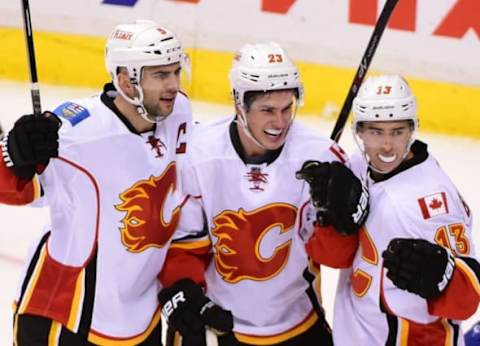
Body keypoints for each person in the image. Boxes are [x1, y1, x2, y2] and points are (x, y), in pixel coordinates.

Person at [157, 42, 368, 345]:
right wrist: (184, 292)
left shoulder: (321, 158)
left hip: (295, 323)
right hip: (217, 322)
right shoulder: (199, 153)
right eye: (267, 110)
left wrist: (336, 219)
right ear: (239, 105)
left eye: (286, 109)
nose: (279, 122)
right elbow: (185, 248)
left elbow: (333, 257)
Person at [0, 19, 193, 345]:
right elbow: (16, 188)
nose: (173, 84)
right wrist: (15, 152)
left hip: (140, 315)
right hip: (67, 315)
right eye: (160, 75)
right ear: (126, 82)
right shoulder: (76, 133)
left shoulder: (179, 112)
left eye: (175, 71)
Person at [300, 74, 480, 345]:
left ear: (412, 130)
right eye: (376, 131)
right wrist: (332, 219)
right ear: (359, 131)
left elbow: (467, 300)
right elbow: (333, 258)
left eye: (397, 131)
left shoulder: (432, 202)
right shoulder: (359, 167)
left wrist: (444, 277)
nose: (386, 145)